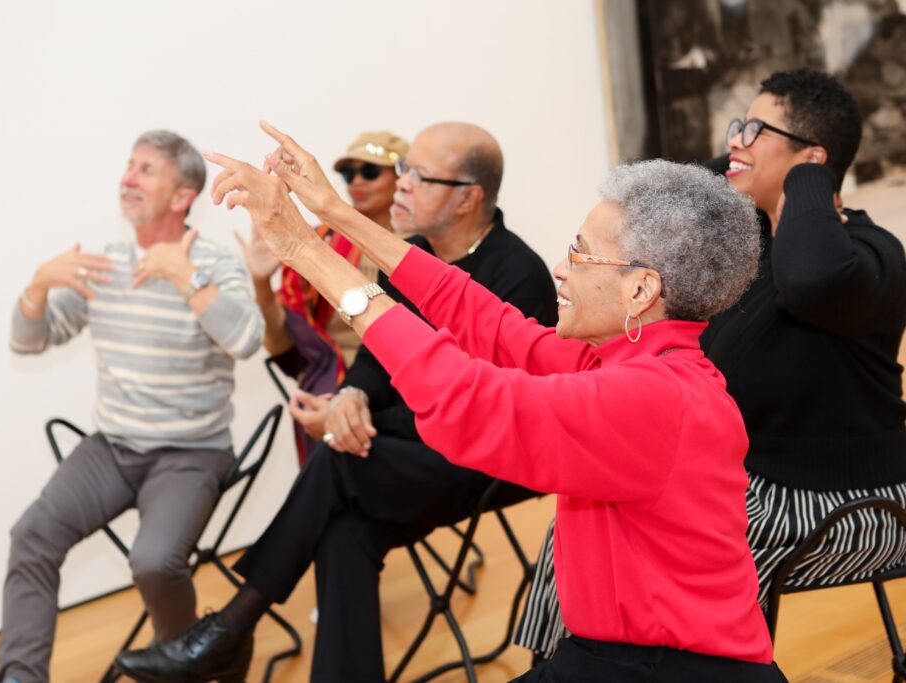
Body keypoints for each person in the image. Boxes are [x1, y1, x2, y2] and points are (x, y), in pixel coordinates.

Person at [193, 125, 784, 680]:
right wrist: (335, 215)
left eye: (580, 253)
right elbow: (486, 320)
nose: (561, 268)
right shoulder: (631, 364)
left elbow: (464, 396)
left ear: (640, 289)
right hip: (627, 658)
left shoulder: (653, 397)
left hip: (672, 670)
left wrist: (302, 249)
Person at [114, 122, 558, 682]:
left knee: (340, 461)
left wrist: (359, 418)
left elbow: (484, 403)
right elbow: (379, 353)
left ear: (469, 197)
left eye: (416, 175)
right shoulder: (414, 253)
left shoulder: (519, 276)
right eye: (401, 170)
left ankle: (231, 627)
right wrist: (351, 395)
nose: (400, 185)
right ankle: (232, 633)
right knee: (346, 530)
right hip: (416, 440)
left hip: (489, 457)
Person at [515, 68, 906, 663]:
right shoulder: (749, 252)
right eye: (735, 127)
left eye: (754, 128)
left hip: (838, 498)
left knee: (646, 545)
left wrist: (806, 179)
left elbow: (809, 279)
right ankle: (568, 665)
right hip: (750, 474)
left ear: (814, 160)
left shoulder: (866, 256)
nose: (735, 141)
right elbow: (680, 197)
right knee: (587, 519)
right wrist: (745, 163)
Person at [0, 130, 264, 683]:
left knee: (153, 561)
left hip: (191, 453)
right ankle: (19, 676)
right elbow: (29, 342)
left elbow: (245, 339)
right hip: (113, 448)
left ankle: (188, 660)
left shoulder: (210, 261)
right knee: (32, 536)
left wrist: (184, 276)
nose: (128, 178)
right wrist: (38, 287)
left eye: (146, 169)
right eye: (128, 166)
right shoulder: (107, 263)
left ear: (182, 195)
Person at [237, 131, 409, 464]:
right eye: (348, 173)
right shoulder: (319, 242)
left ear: (401, 177)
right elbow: (285, 347)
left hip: (395, 391)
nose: (356, 181)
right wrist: (260, 282)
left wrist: (343, 404)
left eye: (370, 171)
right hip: (330, 383)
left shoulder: (418, 246)